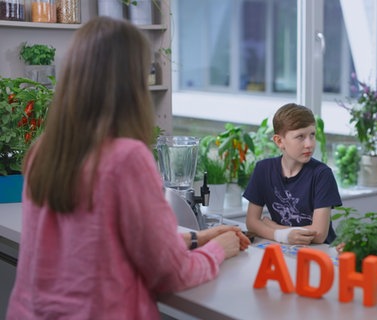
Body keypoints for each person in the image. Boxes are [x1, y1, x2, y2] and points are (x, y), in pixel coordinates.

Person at [7, 17, 250, 319]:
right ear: (130, 83)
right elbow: (171, 274)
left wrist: (198, 238)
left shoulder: (43, 150)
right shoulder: (127, 158)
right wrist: (219, 250)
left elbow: (105, 245)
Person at [244, 103, 342, 245]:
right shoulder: (263, 169)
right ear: (279, 141)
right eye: (300, 137)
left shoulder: (322, 174)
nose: (309, 144)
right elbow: (251, 222)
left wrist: (275, 228)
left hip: (321, 252)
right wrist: (281, 236)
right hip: (284, 248)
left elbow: (319, 234)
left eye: (312, 135)